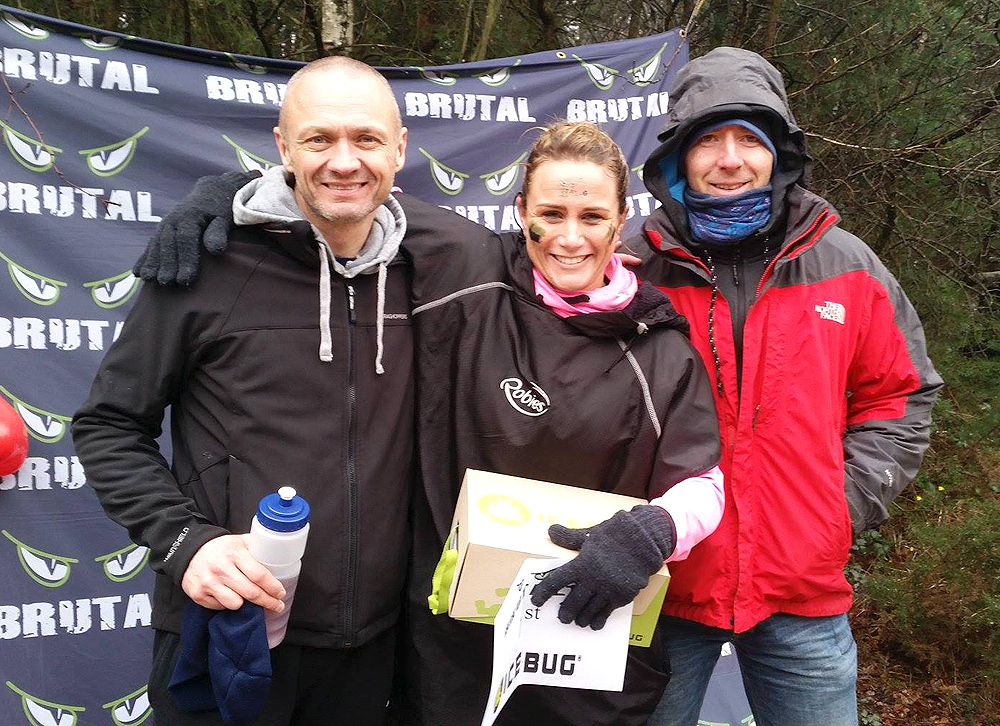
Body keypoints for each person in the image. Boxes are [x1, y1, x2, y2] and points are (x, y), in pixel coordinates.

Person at [132, 118, 725, 725]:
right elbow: (345, 186)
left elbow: (703, 484)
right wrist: (229, 195)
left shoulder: (660, 347)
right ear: (521, 211)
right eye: (550, 214)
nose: (569, 238)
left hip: (581, 643)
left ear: (621, 221)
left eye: (592, 217)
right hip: (444, 655)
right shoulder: (464, 263)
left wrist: (651, 532)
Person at [71, 56, 490, 725]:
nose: (344, 161)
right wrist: (185, 543)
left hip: (372, 652)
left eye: (367, 139)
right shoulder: (207, 259)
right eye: (319, 139)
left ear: (401, 148)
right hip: (226, 628)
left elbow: (558, 260)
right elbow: (109, 424)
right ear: (283, 147)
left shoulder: (435, 270)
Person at [632, 47, 943, 726]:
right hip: (661, 584)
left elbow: (901, 395)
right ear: (678, 158)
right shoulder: (632, 266)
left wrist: (841, 506)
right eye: (708, 141)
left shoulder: (847, 266)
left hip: (801, 593)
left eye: (750, 139)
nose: (730, 159)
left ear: (779, 154)